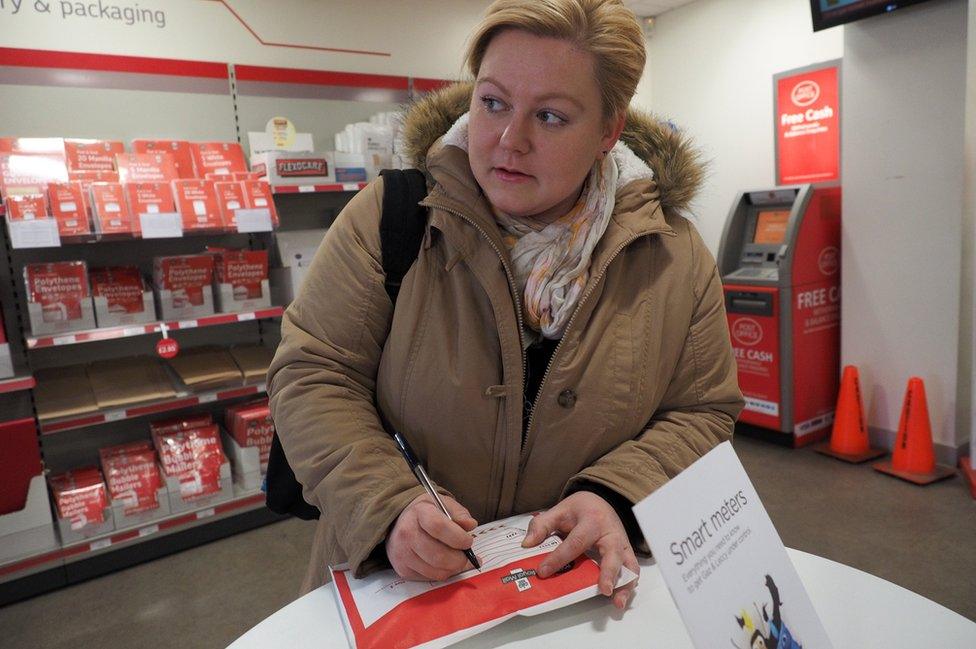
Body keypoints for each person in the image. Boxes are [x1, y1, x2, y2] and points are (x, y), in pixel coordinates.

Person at [267, 0, 742, 610]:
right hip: (403, 592)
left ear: (608, 130)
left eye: (549, 116)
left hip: (580, 597)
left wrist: (616, 495)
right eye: (492, 103)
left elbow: (702, 412)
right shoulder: (393, 219)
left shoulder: (674, 257)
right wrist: (387, 505)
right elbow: (314, 374)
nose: (508, 140)